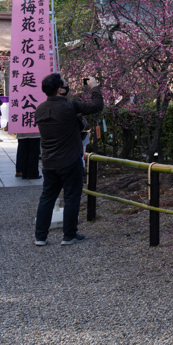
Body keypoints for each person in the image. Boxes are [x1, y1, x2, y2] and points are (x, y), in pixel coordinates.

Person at [33, 74, 103, 246]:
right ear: (60, 89)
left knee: (47, 197)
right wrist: (93, 86)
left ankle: (40, 236)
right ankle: (69, 234)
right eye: (65, 83)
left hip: (49, 161)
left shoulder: (40, 109)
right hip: (70, 160)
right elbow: (97, 106)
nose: (67, 85)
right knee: (72, 196)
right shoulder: (70, 106)